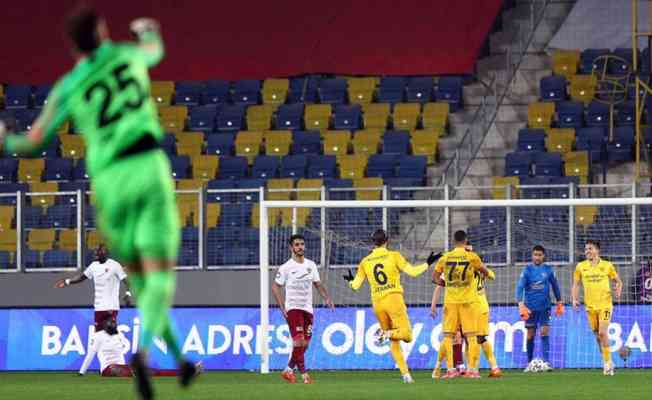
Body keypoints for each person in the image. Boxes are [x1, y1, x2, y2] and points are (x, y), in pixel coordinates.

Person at [0, 7, 195, 399]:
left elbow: (33, 142)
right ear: (104, 32)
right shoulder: (126, 55)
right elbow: (154, 49)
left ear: (72, 45)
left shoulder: (69, 86)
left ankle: (165, 359)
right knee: (156, 271)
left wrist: (4, 137)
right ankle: (146, 353)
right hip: (147, 164)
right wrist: (147, 27)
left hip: (109, 180)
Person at [344, 229, 437, 383]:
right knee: (407, 335)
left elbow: (355, 286)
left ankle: (406, 375)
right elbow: (413, 272)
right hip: (393, 299)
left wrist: (349, 280)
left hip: (378, 303)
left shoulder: (365, 262)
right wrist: (428, 263)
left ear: (373, 242)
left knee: (394, 339)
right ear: (387, 240)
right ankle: (384, 334)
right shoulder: (394, 256)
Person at [272, 234, 334, 384]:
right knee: (298, 341)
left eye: (302, 244)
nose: (300, 247)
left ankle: (288, 370)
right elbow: (275, 287)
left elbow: (317, 284)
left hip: (308, 309)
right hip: (293, 308)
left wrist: (327, 298)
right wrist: (282, 307)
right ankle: (305, 375)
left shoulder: (311, 265)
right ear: (291, 247)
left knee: (305, 343)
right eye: (297, 244)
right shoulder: (286, 267)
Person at [432, 230, 490, 379]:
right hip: (467, 302)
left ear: (453, 241)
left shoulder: (445, 258)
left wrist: (449, 284)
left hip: (450, 301)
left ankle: (450, 370)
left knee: (448, 336)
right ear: (465, 241)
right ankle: (472, 370)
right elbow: (485, 271)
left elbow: (435, 277)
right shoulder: (472, 257)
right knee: (471, 335)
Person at [79, 318, 203, 378]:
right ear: (106, 327)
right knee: (115, 368)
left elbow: (122, 351)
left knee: (151, 371)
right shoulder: (98, 336)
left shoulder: (118, 335)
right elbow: (90, 354)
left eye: (114, 325)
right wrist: (82, 372)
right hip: (108, 368)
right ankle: (131, 373)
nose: (114, 327)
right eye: (111, 325)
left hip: (123, 367)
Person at [572, 240, 623, 376]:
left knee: (602, 332)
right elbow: (576, 284)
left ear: (597, 250)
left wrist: (618, 290)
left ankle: (608, 364)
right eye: (586, 249)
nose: (587, 251)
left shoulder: (607, 265)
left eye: (590, 248)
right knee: (597, 335)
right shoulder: (580, 267)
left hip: (605, 305)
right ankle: (607, 360)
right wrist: (575, 299)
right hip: (590, 306)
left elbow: (618, 281)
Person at [55, 245, 130, 332]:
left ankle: (117, 344)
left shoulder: (115, 265)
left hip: (111, 307)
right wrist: (67, 281)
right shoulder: (93, 266)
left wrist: (128, 293)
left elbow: (126, 281)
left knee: (110, 332)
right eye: (95, 252)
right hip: (98, 307)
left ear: (105, 253)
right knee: (99, 333)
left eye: (98, 252)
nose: (95, 254)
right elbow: (81, 277)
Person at [515, 245, 563, 372]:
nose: (537, 257)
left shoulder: (548, 270)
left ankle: (546, 362)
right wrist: (521, 304)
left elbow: (555, 286)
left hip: (545, 307)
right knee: (530, 335)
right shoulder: (527, 270)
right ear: (532, 255)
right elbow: (520, 287)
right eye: (535, 254)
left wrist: (559, 302)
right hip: (530, 308)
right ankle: (530, 363)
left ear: (543, 256)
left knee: (544, 332)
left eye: (539, 255)